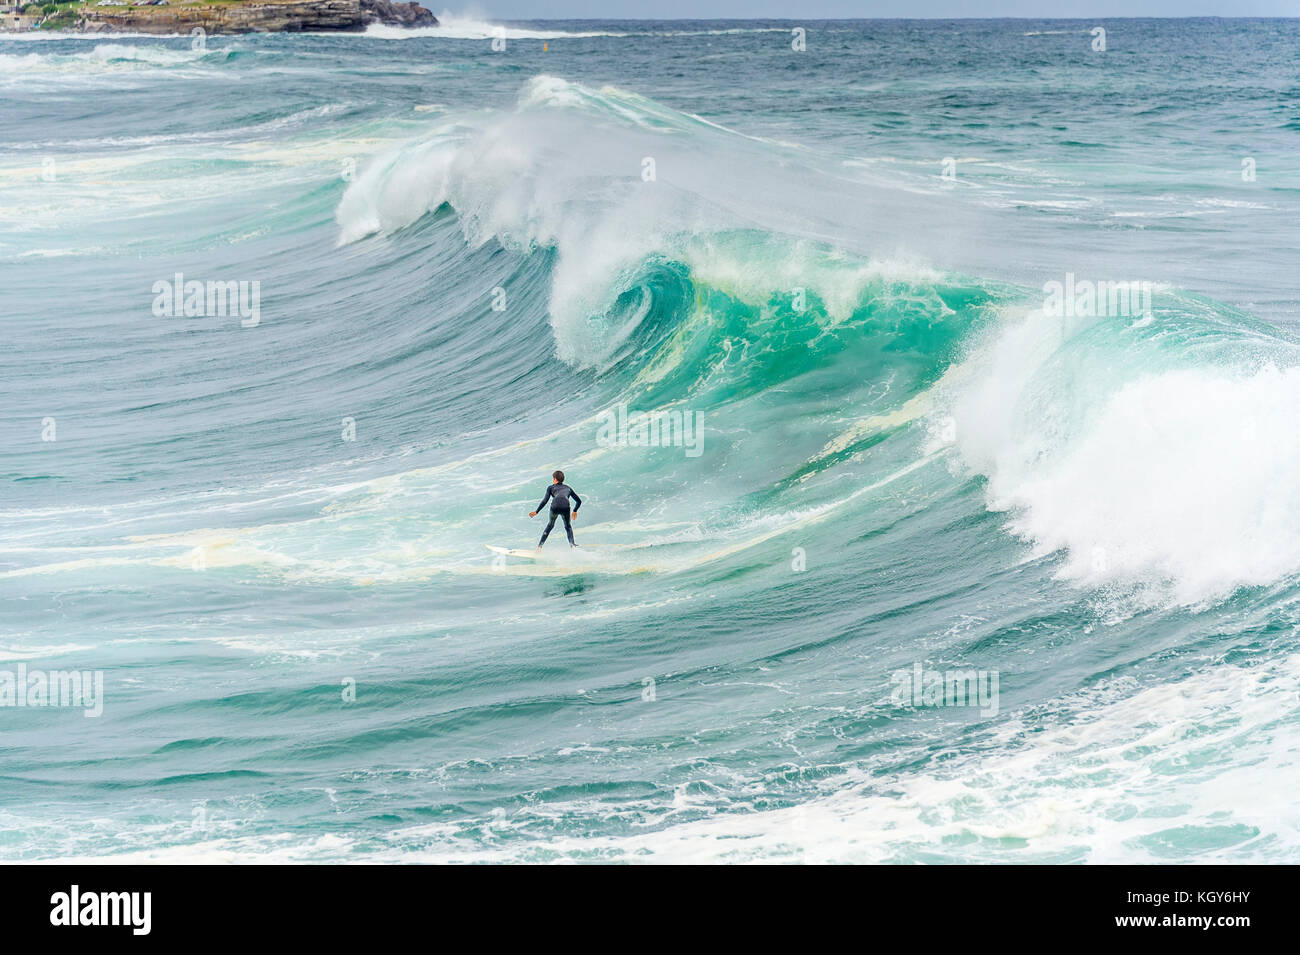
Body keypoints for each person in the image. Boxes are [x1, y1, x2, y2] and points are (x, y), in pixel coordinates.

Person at [530, 470, 581, 548]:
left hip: (555, 507)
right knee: (568, 527)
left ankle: (539, 547)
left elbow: (545, 500)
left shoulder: (550, 487)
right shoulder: (568, 488)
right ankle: (572, 544)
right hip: (565, 507)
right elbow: (579, 501)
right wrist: (575, 510)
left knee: (550, 525)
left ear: (555, 479)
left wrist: (537, 511)